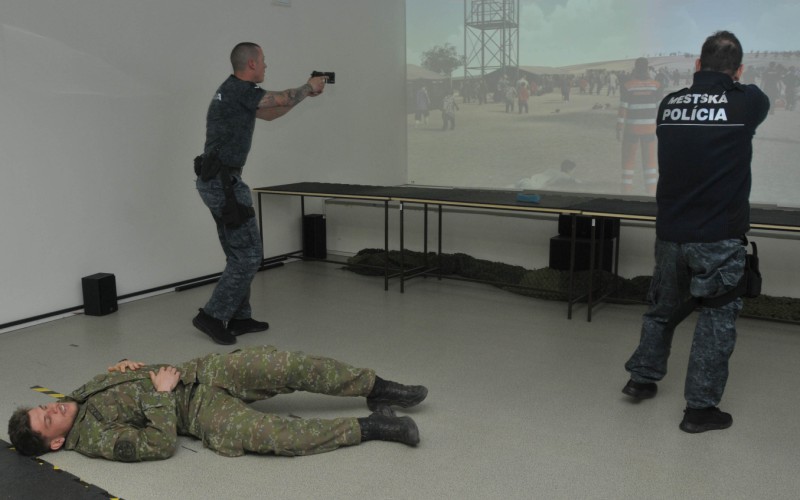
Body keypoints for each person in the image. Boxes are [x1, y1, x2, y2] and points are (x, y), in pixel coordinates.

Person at [621, 31, 770, 433]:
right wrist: (732, 80)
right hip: (718, 236)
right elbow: (751, 92)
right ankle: (700, 409)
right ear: (738, 70)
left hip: (671, 231)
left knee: (661, 309)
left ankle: (642, 377)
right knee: (716, 320)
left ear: (697, 66)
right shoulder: (747, 101)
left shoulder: (669, 103)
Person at [7, 345, 428, 460]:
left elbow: (127, 378)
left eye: (44, 407)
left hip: (201, 371)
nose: (54, 408)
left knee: (287, 365)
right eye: (48, 419)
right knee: (272, 435)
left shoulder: (77, 397)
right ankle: (374, 427)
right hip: (198, 412)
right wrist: (160, 396)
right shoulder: (97, 440)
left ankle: (379, 388)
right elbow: (157, 445)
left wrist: (125, 364)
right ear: (57, 443)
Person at [193, 43, 327, 345]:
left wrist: (305, 95)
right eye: (263, 61)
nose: (267, 66)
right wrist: (309, 85)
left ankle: (239, 317)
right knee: (250, 254)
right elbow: (279, 97)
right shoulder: (240, 90)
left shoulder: (237, 92)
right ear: (251, 63)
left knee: (238, 252)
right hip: (223, 184)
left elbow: (272, 113)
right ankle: (212, 316)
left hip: (218, 180)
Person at [617, 57, 662, 194]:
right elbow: (659, 109)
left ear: (635, 68)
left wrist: (619, 128)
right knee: (650, 161)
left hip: (632, 129)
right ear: (647, 68)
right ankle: (651, 190)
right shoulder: (656, 85)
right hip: (650, 129)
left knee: (628, 160)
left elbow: (623, 108)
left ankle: (626, 190)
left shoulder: (627, 85)